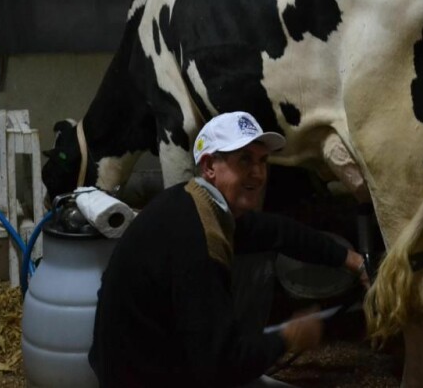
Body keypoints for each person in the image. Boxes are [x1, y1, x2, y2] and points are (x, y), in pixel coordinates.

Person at [89, 111, 369, 387]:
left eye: (263, 160)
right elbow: (220, 366)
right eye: (244, 159)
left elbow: (280, 232)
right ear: (210, 167)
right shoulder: (198, 241)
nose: (258, 173)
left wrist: (352, 260)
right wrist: (288, 337)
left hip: (141, 363)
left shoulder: (193, 203)